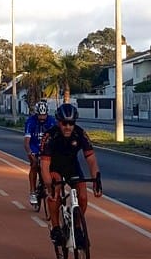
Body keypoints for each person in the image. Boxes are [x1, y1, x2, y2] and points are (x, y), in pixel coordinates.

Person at [39, 103, 102, 245]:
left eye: (71, 123)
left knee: (83, 196)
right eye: (64, 123)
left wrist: (97, 179)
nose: (68, 126)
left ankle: (78, 227)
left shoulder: (80, 134)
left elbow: (91, 159)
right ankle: (55, 228)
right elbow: (44, 165)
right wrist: (49, 185)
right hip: (54, 167)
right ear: (58, 122)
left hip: (72, 166)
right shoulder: (50, 136)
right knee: (54, 192)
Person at [24, 100, 57, 206]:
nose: (42, 118)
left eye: (44, 116)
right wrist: (30, 153)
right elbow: (27, 141)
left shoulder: (52, 121)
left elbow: (56, 138)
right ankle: (33, 192)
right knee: (34, 165)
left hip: (47, 148)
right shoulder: (30, 122)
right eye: (40, 116)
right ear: (36, 114)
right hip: (34, 147)